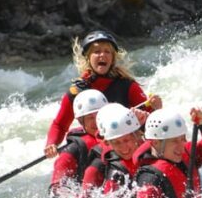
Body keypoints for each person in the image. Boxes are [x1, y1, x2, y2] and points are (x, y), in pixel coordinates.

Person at [44, 30, 162, 159]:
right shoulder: (77, 91)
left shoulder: (127, 85)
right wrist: (51, 144)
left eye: (107, 52)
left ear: (112, 58)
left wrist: (156, 109)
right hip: (95, 148)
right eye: (97, 51)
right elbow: (60, 125)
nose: (103, 55)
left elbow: (152, 121)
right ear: (88, 57)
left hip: (124, 146)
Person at [135, 107, 202, 198]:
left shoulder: (186, 153)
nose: (182, 146)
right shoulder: (149, 178)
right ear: (155, 143)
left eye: (182, 138)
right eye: (174, 141)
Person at [49, 89, 109, 198]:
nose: (96, 121)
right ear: (81, 121)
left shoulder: (120, 137)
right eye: (90, 118)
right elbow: (56, 188)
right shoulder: (74, 149)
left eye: (99, 115)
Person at [82, 102, 149, 197]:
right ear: (107, 142)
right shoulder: (114, 173)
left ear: (136, 135)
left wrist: (148, 120)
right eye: (116, 142)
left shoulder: (149, 144)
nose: (124, 148)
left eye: (126, 140)